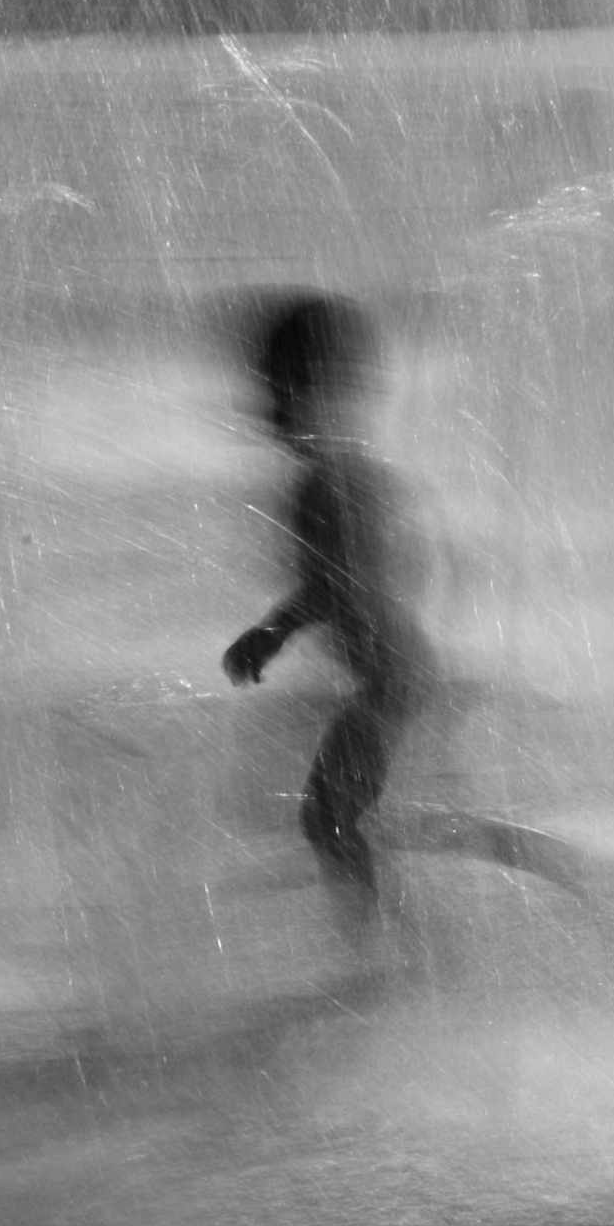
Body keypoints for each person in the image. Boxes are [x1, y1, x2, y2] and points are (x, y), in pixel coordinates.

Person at [222, 291, 434, 925]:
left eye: (281, 396)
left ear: (327, 393)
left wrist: (271, 633)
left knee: (328, 820)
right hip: (393, 676)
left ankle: (384, 944)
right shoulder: (363, 475)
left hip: (389, 684)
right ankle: (395, 935)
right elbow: (399, 565)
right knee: (344, 815)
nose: (267, 415)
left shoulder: (330, 484)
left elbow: (336, 584)